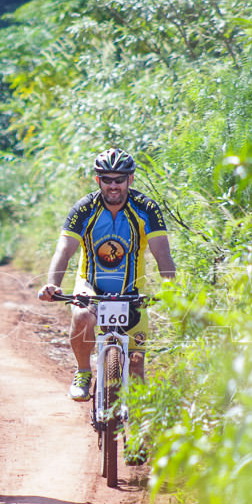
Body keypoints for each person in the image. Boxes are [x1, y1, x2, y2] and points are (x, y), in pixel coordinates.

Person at [37, 148, 175, 401]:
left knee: (136, 368)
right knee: (81, 314)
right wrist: (52, 285)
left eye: (119, 179)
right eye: (107, 179)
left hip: (131, 291)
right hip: (90, 286)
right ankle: (82, 372)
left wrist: (170, 286)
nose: (113, 186)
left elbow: (162, 254)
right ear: (97, 180)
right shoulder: (85, 208)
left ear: (130, 180)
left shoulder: (146, 209)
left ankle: (140, 436)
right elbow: (64, 250)